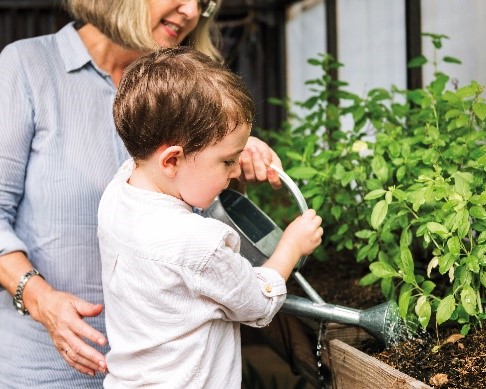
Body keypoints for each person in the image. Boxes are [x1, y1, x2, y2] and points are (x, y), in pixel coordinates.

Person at [0, 1, 283, 387]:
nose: (190, 11)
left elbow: (189, 227)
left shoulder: (189, 88)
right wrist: (39, 298)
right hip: (47, 368)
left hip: (172, 372)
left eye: (203, 2)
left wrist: (231, 163)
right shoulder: (28, 67)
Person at [98, 46, 322, 388]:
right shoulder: (198, 245)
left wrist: (229, 149)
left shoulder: (119, 190)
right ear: (171, 160)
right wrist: (291, 246)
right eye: (228, 162)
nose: (235, 172)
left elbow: (193, 170)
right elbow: (259, 302)